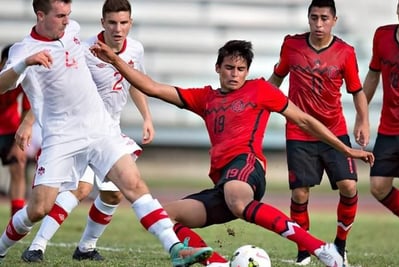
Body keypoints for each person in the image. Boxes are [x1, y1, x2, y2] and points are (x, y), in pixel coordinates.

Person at [90, 39, 375, 267]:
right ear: (218, 68)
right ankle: (215, 264)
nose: (234, 74)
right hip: (224, 181)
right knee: (163, 218)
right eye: (228, 68)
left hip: (248, 167)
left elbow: (304, 120)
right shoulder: (205, 98)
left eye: (240, 69)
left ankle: (323, 250)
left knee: (237, 199)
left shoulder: (260, 90)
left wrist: (345, 148)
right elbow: (151, 87)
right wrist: (116, 61)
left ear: (247, 71)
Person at [0, 1, 213, 266]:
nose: (67, 21)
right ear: (40, 15)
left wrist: (146, 115)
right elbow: (2, 86)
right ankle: (2, 247)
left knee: (133, 185)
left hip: (101, 130)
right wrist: (24, 67)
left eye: (69, 15)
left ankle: (175, 249)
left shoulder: (73, 30)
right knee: (39, 208)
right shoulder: (24, 50)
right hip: (62, 136)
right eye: (61, 16)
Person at [19, 0, 155, 263]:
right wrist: (28, 120)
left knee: (113, 193)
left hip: (109, 131)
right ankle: (37, 245)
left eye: (124, 22)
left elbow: (134, 80)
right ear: (102, 23)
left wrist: (147, 117)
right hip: (80, 129)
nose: (118, 28)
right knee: (80, 189)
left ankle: (86, 247)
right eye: (112, 22)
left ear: (131, 23)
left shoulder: (135, 49)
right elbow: (57, 86)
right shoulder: (85, 49)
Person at [267, 0, 370, 265]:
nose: (319, 24)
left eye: (324, 18)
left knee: (348, 186)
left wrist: (363, 121)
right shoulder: (291, 45)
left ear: (334, 20)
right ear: (308, 18)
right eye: (314, 17)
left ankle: (340, 245)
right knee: (300, 194)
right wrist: (260, 103)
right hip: (299, 131)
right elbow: (277, 78)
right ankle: (304, 250)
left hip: (334, 132)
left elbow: (357, 91)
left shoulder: (346, 52)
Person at [362, 0, 399, 229]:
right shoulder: (382, 35)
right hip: (389, 127)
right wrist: (362, 115)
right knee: (378, 186)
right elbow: (373, 75)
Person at [0, 44, 30, 216]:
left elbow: (27, 108)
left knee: (18, 168)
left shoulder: (21, 78)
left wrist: (19, 141)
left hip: (10, 129)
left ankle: (15, 218)